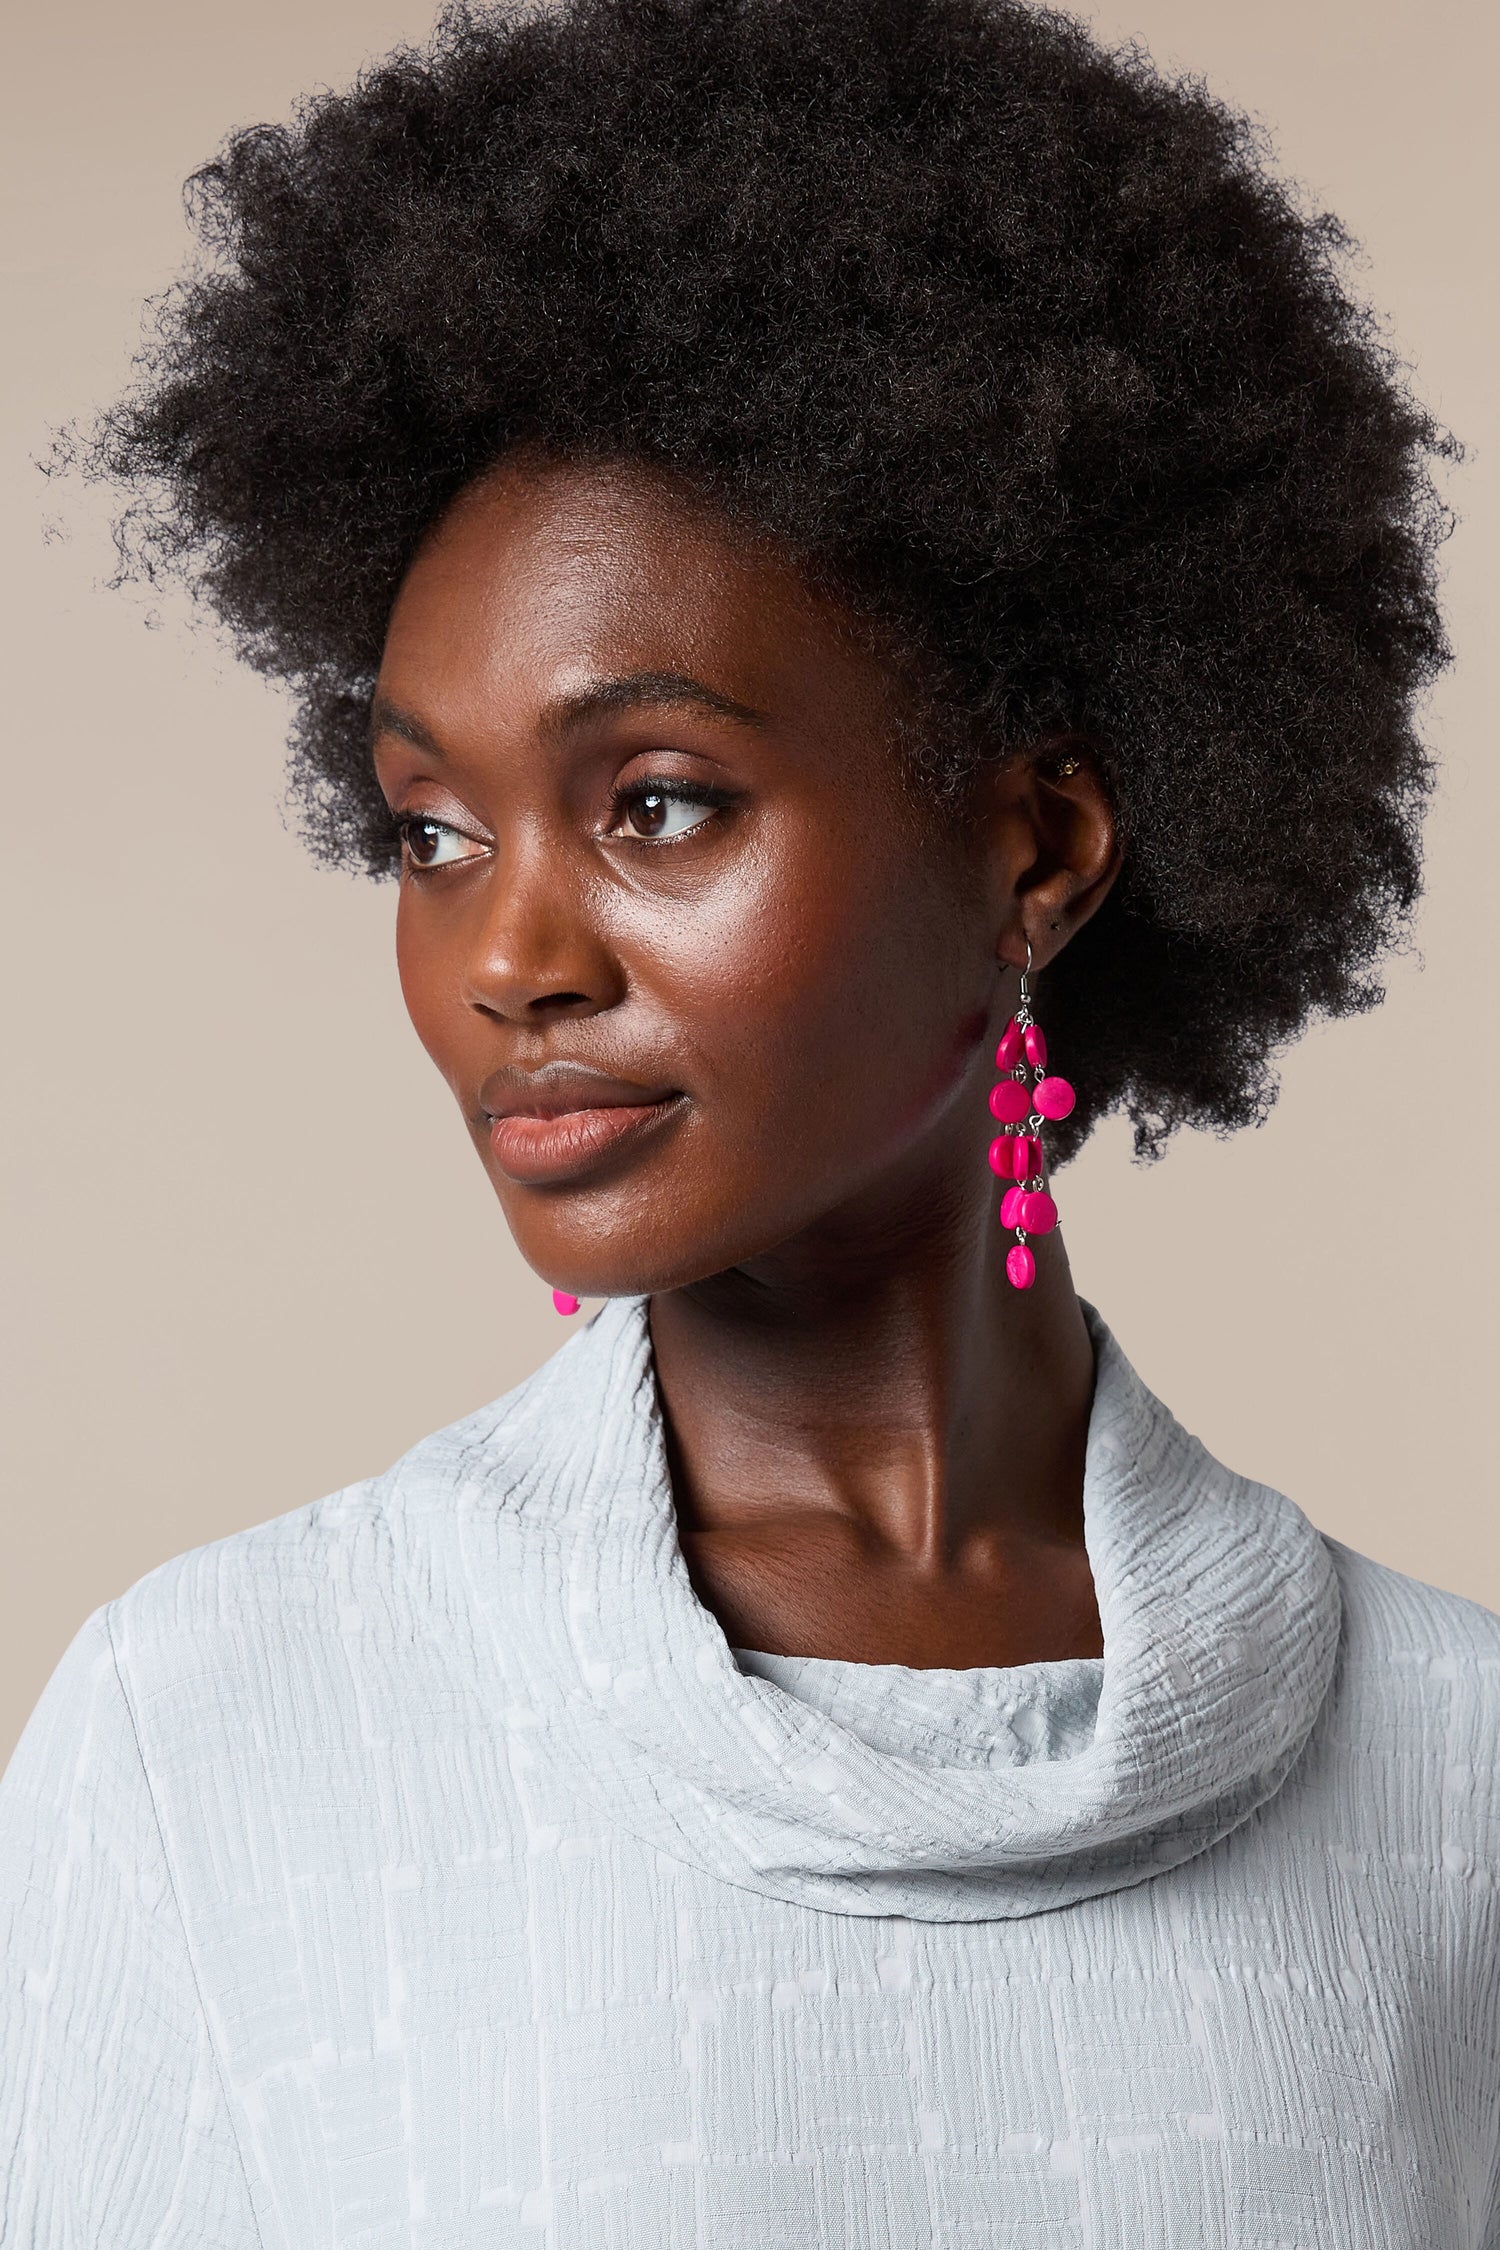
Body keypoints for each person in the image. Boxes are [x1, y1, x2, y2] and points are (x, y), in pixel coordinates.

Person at [3, 0, 1494, 2240]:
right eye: (427, 831)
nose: (510, 955)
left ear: (1037, 849)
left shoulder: (1458, 1772)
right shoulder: (215, 1732)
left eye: (657, 803)